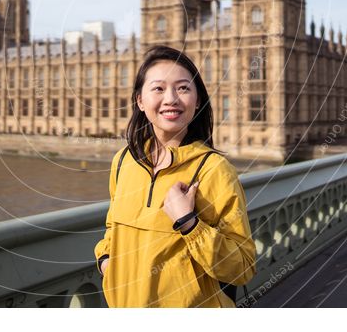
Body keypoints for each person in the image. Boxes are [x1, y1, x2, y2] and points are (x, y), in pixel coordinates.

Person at [94, 45, 256, 307]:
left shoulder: (214, 169)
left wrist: (190, 223)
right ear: (140, 100)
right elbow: (113, 227)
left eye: (183, 88)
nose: (171, 98)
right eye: (158, 88)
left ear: (198, 100)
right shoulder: (124, 161)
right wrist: (105, 261)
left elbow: (242, 268)